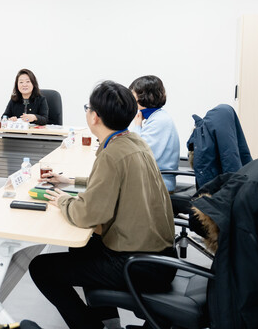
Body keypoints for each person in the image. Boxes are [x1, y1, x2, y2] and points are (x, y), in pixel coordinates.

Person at [28, 81, 176, 329]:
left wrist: (62, 200)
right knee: (81, 247)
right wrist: (71, 181)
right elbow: (116, 182)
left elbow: (87, 215)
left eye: (88, 108)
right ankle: (108, 320)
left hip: (139, 265)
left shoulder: (112, 154)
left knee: (41, 268)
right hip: (160, 257)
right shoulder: (133, 141)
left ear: (95, 116)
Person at [128, 75, 180, 192]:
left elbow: (139, 153)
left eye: (133, 94)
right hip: (153, 178)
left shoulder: (159, 121)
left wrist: (137, 126)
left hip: (158, 183)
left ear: (144, 96)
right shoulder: (156, 117)